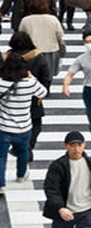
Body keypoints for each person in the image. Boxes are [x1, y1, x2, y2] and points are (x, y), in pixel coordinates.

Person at [0, 52, 48, 193]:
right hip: (24, 125)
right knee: (23, 152)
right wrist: (32, 77)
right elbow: (43, 93)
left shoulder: (2, 83)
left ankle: (1, 184)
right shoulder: (29, 83)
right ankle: (21, 175)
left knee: (1, 156)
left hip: (4, 126)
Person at [18, 0, 64, 78]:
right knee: (47, 77)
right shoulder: (53, 19)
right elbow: (60, 36)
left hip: (32, 53)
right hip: (50, 51)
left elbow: (20, 37)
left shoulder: (26, 20)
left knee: (31, 76)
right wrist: (62, 51)